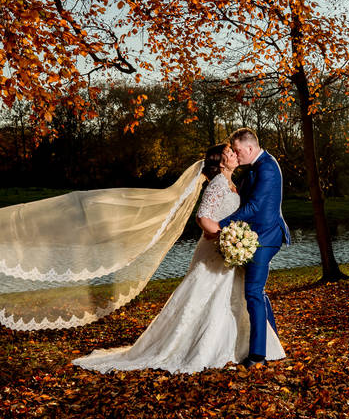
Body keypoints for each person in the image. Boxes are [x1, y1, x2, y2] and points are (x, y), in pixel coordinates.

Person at [72, 143, 285, 373]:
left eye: (234, 151)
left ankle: (235, 347)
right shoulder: (217, 185)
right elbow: (202, 217)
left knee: (232, 297)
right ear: (221, 162)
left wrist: (234, 239)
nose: (234, 154)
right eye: (229, 153)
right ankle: (195, 347)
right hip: (216, 250)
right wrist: (225, 236)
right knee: (203, 296)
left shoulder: (234, 184)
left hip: (227, 251)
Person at [209, 128, 290, 369]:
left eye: (236, 150)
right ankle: (271, 342)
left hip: (266, 236)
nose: (234, 153)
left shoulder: (265, 167)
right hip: (255, 235)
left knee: (253, 292)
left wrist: (221, 225)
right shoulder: (256, 166)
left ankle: (257, 356)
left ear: (250, 149)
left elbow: (254, 207)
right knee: (258, 292)